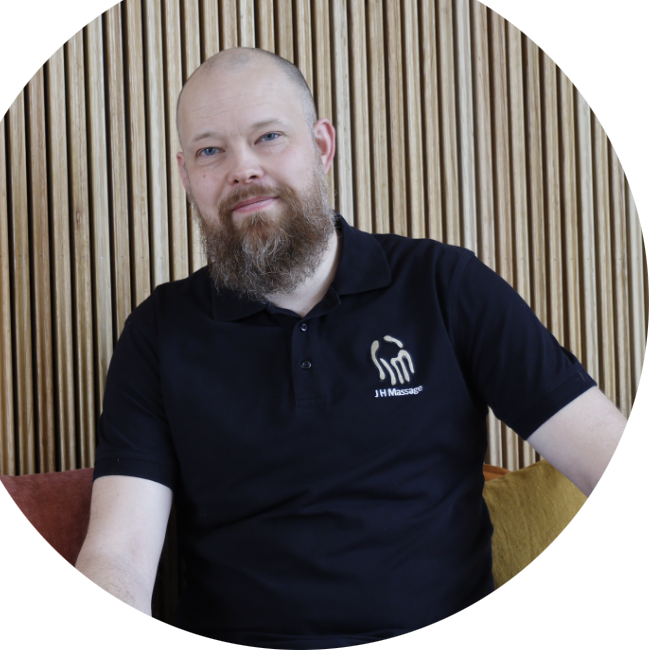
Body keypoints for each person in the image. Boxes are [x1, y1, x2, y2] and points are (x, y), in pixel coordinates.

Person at [69, 47, 649, 650]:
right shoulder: (159, 333)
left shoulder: (444, 287)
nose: (243, 169)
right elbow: (118, 555)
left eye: (268, 137)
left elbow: (625, 467)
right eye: (210, 151)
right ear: (187, 176)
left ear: (322, 145)